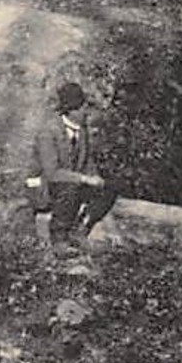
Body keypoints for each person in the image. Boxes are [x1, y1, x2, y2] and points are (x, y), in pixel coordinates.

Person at [32, 81, 116, 243]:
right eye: (82, 108)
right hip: (42, 185)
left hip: (67, 183)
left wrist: (95, 178)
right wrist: (84, 179)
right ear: (71, 110)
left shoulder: (80, 129)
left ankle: (81, 228)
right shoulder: (48, 132)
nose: (86, 112)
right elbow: (52, 173)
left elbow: (87, 162)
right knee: (70, 188)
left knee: (109, 188)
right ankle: (59, 238)